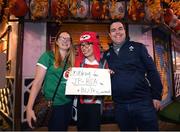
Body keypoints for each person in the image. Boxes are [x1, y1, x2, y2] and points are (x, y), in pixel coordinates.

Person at [103, 20, 163, 131]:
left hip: (143, 103)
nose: (117, 32)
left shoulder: (138, 47)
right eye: (113, 30)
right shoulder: (106, 55)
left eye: (120, 28)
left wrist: (156, 95)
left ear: (125, 31)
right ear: (109, 35)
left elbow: (152, 70)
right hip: (120, 106)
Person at [26, 31, 75, 131]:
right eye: (62, 38)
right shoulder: (47, 56)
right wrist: (29, 108)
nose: (65, 41)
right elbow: (37, 82)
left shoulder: (71, 60)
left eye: (68, 39)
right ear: (56, 41)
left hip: (68, 102)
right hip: (54, 104)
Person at [74, 31, 107, 131]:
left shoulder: (104, 63)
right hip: (80, 104)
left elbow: (105, 86)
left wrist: (109, 76)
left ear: (95, 45)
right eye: (82, 45)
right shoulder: (78, 62)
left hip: (96, 105)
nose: (84, 48)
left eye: (88, 44)